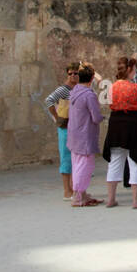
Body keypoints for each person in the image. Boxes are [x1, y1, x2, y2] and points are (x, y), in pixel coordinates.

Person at [102, 57, 137, 208]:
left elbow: (109, 103)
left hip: (116, 125)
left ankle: (111, 199)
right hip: (133, 125)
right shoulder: (136, 88)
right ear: (131, 70)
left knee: (115, 162)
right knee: (136, 161)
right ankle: (136, 200)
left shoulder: (112, 87)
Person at [65, 64, 103, 206]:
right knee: (86, 165)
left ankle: (81, 193)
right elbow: (96, 116)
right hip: (85, 134)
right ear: (91, 78)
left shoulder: (74, 92)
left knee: (77, 164)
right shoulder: (89, 95)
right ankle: (78, 194)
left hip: (74, 133)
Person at [44, 62, 80, 199]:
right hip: (65, 126)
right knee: (66, 157)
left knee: (75, 158)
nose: (73, 76)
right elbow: (49, 100)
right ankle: (67, 190)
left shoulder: (78, 88)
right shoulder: (64, 89)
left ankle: (74, 187)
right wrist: (56, 116)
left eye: (76, 73)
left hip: (76, 127)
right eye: (70, 73)